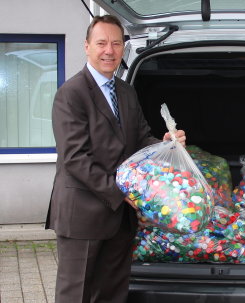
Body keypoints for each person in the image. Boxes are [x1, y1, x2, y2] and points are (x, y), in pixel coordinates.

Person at [45, 15, 186, 303]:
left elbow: (140, 139)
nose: (109, 50)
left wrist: (163, 144)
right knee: (77, 294)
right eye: (101, 43)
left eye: (116, 43)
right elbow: (75, 159)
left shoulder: (125, 91)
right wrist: (122, 193)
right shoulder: (71, 94)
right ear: (87, 46)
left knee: (112, 294)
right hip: (82, 215)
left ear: (123, 48)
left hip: (120, 218)